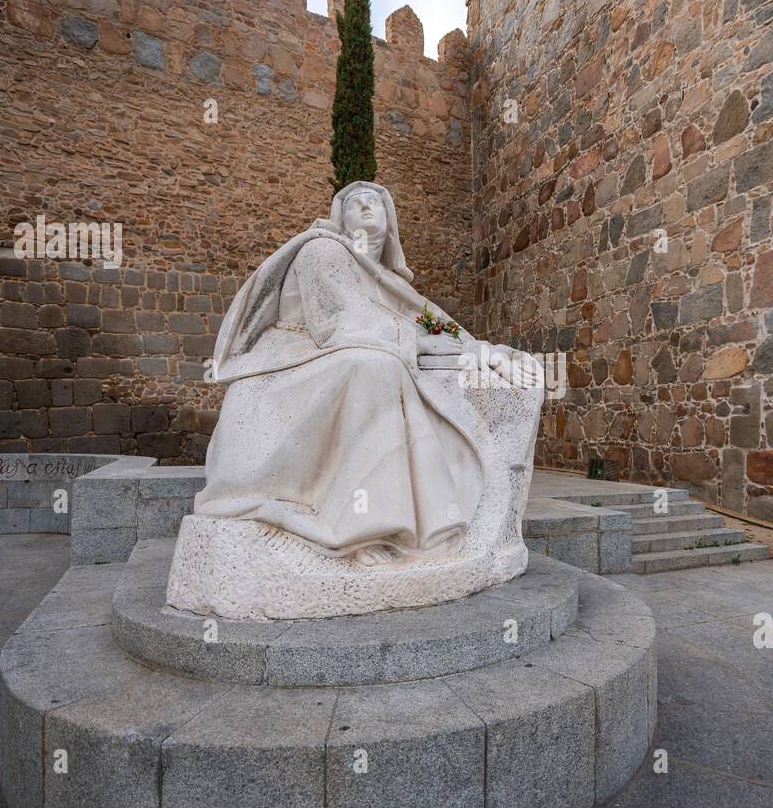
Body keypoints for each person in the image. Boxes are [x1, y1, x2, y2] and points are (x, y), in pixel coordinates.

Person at [196, 181, 541, 568]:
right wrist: (417, 345)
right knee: (378, 367)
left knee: (407, 368)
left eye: (374, 202)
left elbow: (431, 326)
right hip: (296, 359)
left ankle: (425, 520)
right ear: (339, 218)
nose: (364, 207)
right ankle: (363, 527)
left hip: (347, 353)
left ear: (390, 221)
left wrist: (478, 351)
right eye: (354, 203)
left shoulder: (387, 280)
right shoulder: (322, 249)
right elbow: (337, 321)